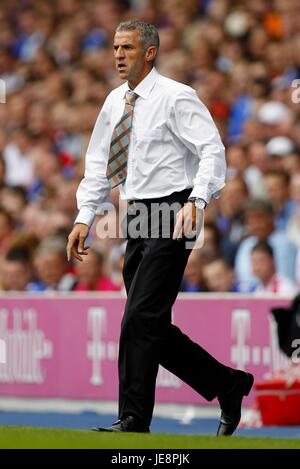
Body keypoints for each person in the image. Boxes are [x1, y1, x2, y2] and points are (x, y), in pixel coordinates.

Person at [67, 20, 253, 436]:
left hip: (174, 213)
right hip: (135, 215)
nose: (118, 54)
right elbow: (98, 166)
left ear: (149, 52)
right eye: (115, 47)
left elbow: (211, 149)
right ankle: (228, 384)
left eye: (127, 48)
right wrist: (84, 217)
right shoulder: (115, 102)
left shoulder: (176, 96)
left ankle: (133, 420)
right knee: (148, 324)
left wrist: (197, 200)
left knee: (138, 317)